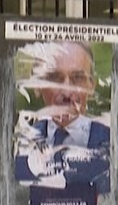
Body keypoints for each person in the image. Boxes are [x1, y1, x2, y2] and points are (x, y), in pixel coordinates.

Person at [14, 41, 110, 193]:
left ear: (91, 85)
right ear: (38, 85)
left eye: (77, 78)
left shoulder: (110, 141)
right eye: (55, 78)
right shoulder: (23, 141)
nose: (66, 92)